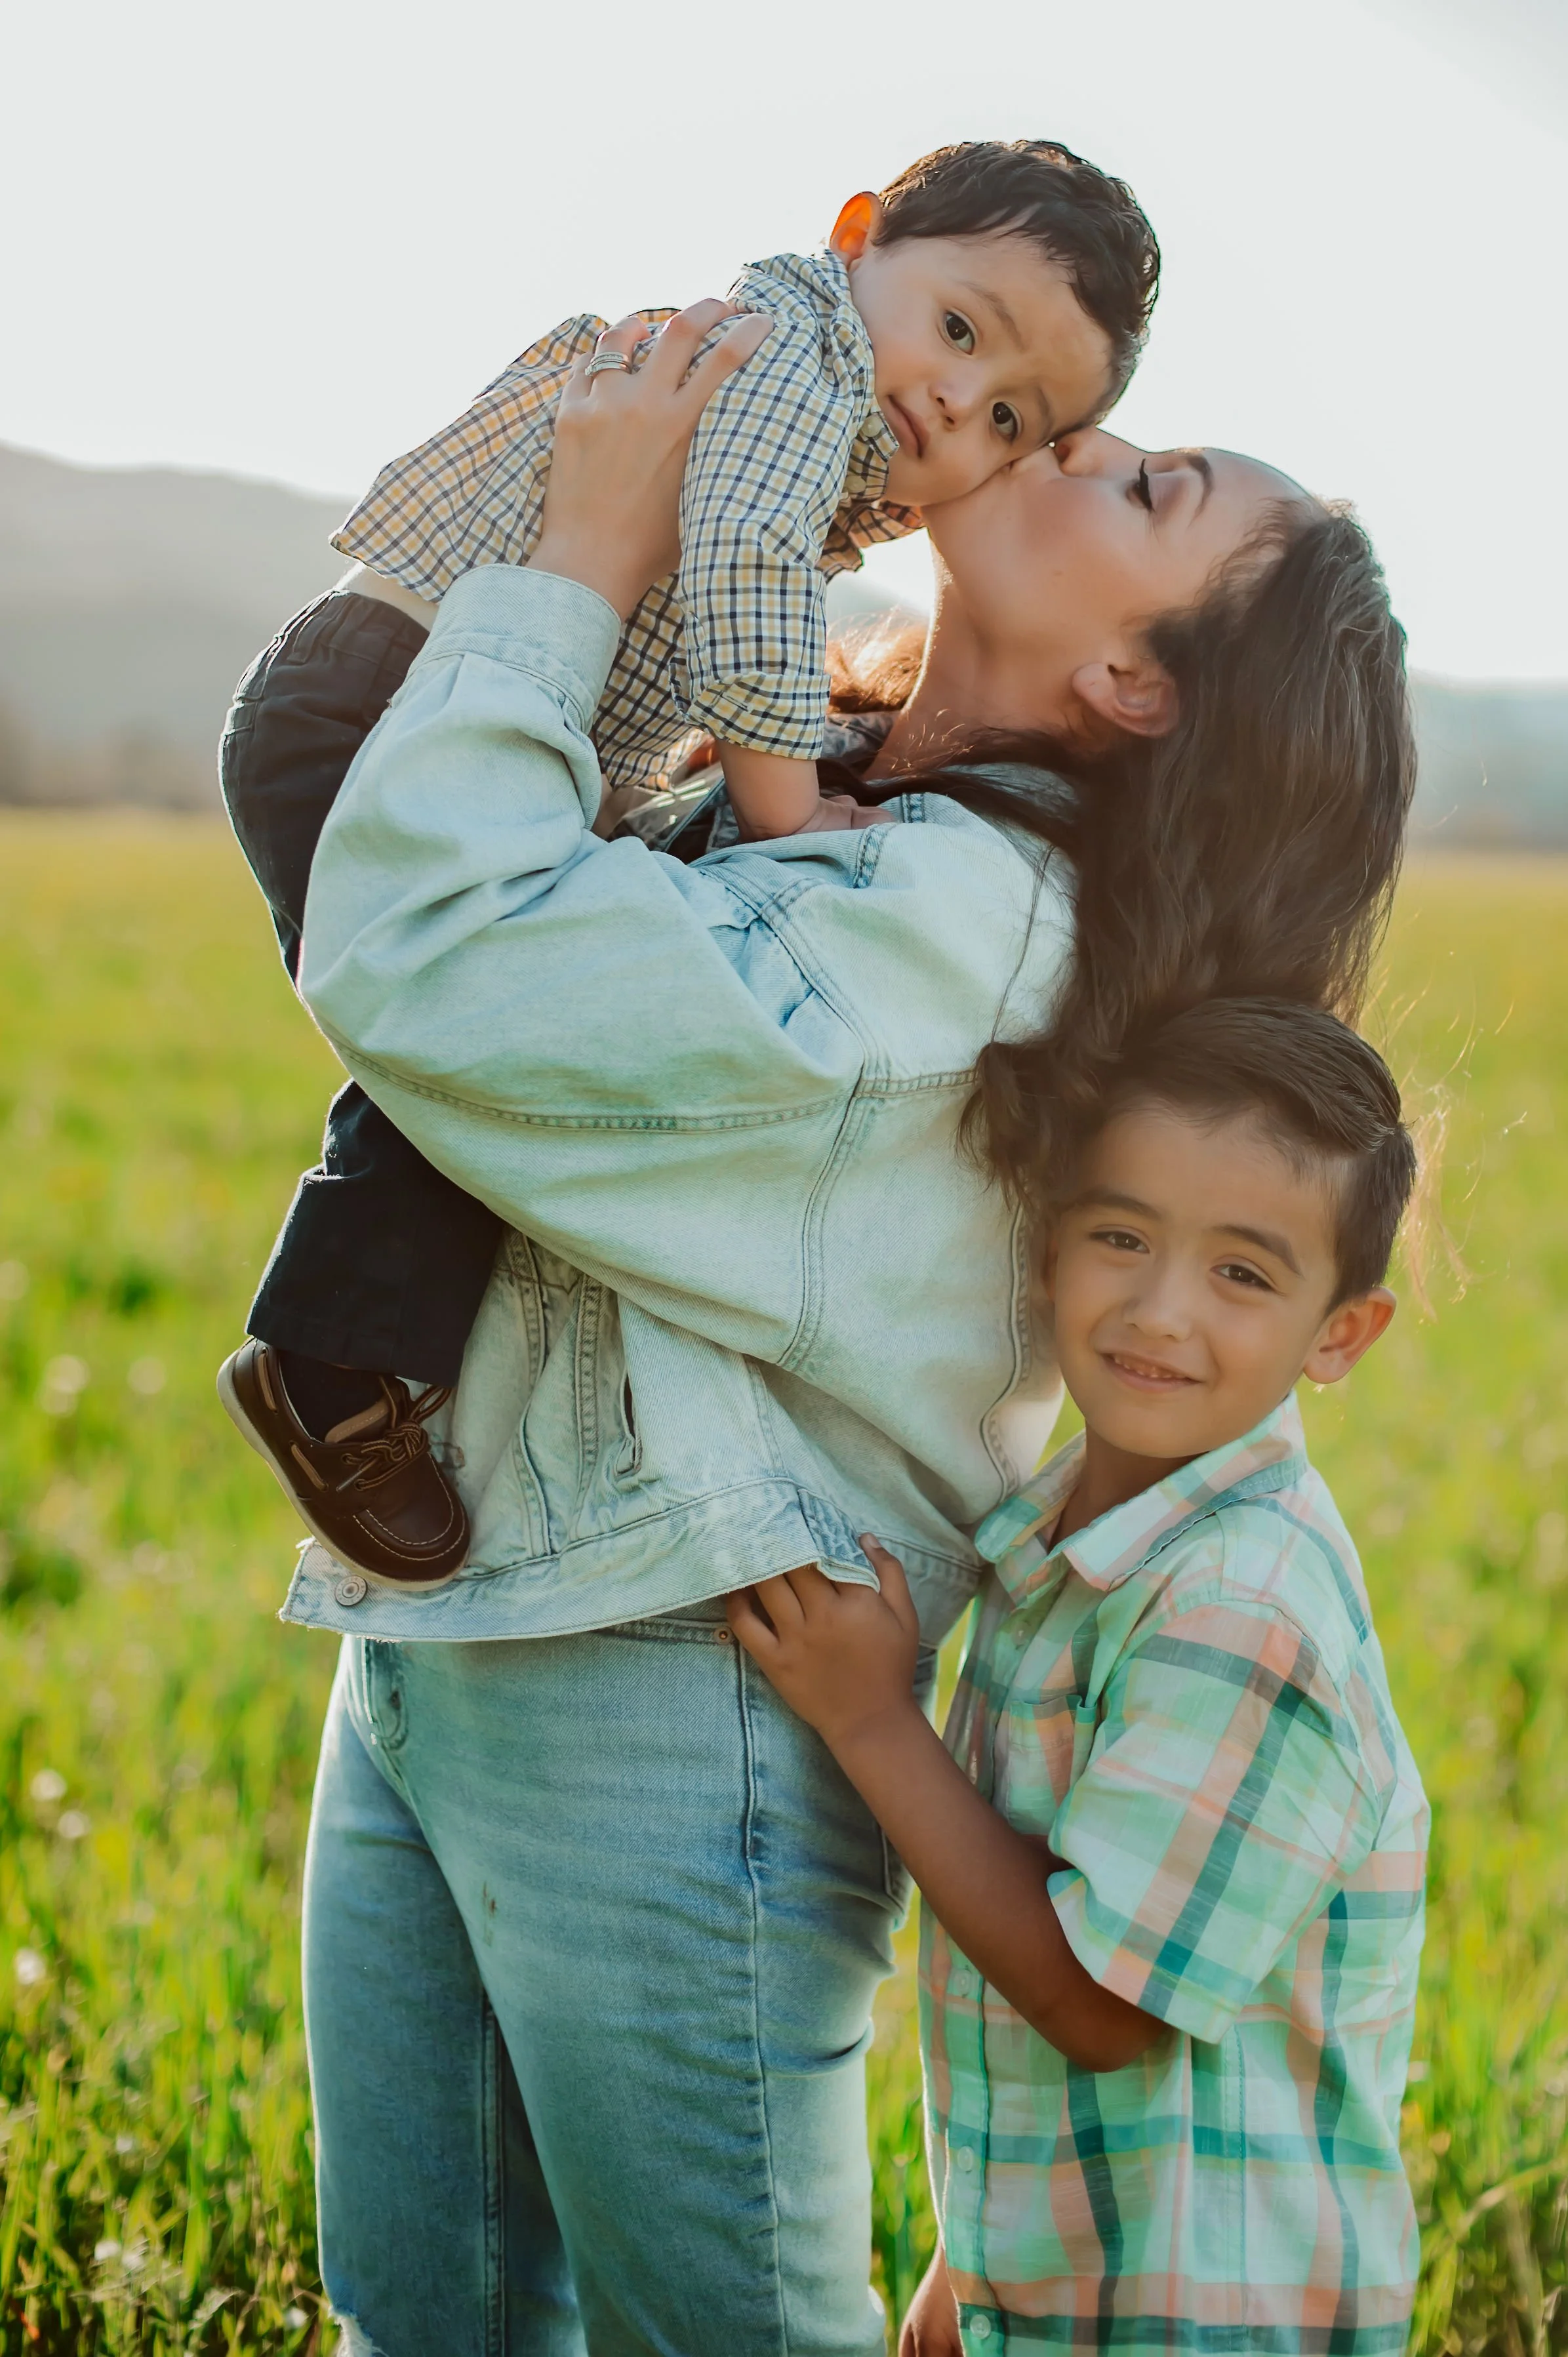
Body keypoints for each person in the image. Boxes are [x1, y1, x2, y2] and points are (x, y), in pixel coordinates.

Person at [276, 308, 1413, 2356]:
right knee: (414, 2320)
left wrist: (585, 552)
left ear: (1133, 684)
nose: (1093, 444)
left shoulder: (962, 914)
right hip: (469, 1609)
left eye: (1149, 489)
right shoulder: (834, 794)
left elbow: (434, 961)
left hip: (677, 1668)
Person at [216, 138, 1161, 1584]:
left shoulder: (817, 405)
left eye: (1010, 414)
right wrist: (783, 808)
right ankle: (331, 1363)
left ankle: (350, 1354)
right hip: (380, 699)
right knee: (487, 1036)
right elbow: (737, 562)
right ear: (856, 240)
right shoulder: (790, 356)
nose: (959, 398)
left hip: (407, 697)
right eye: (961, 328)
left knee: (491, 1039)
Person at [728, 997, 1430, 2357]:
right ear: (1045, 1246)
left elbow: (1099, 2005)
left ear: (1337, 1335)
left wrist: (872, 1720)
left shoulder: (1238, 1610)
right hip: (1083, 2286)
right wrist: (975, 2275)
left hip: (1211, 2316)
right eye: (1121, 1237)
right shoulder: (1081, 1549)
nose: (1160, 1311)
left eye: (1243, 1274)